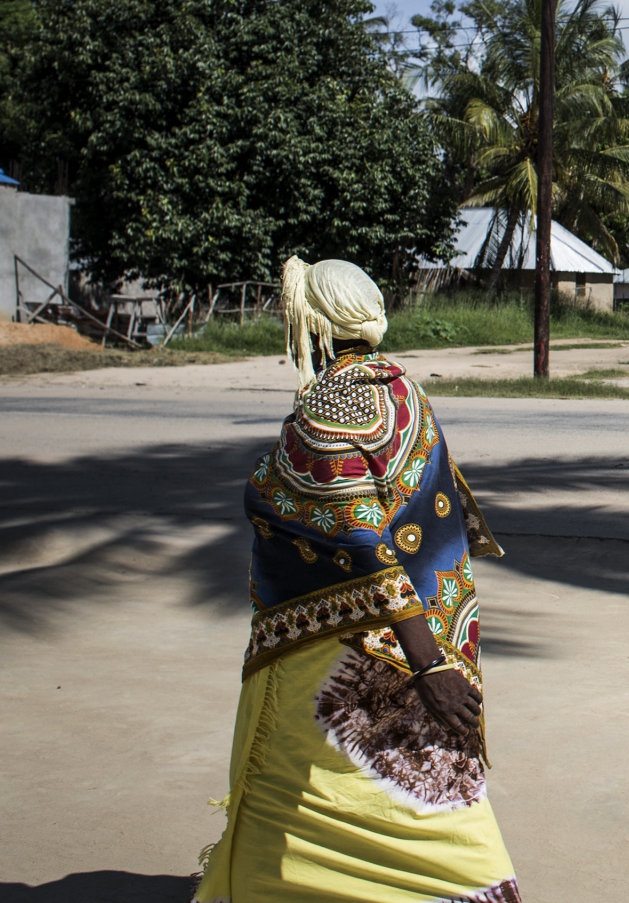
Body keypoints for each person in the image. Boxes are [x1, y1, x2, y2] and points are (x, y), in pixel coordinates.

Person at [195, 257, 520, 903]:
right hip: (416, 629)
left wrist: (427, 666)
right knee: (409, 791)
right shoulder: (400, 387)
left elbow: (361, 538)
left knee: (316, 780)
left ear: (313, 325)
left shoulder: (329, 408)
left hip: (347, 642)